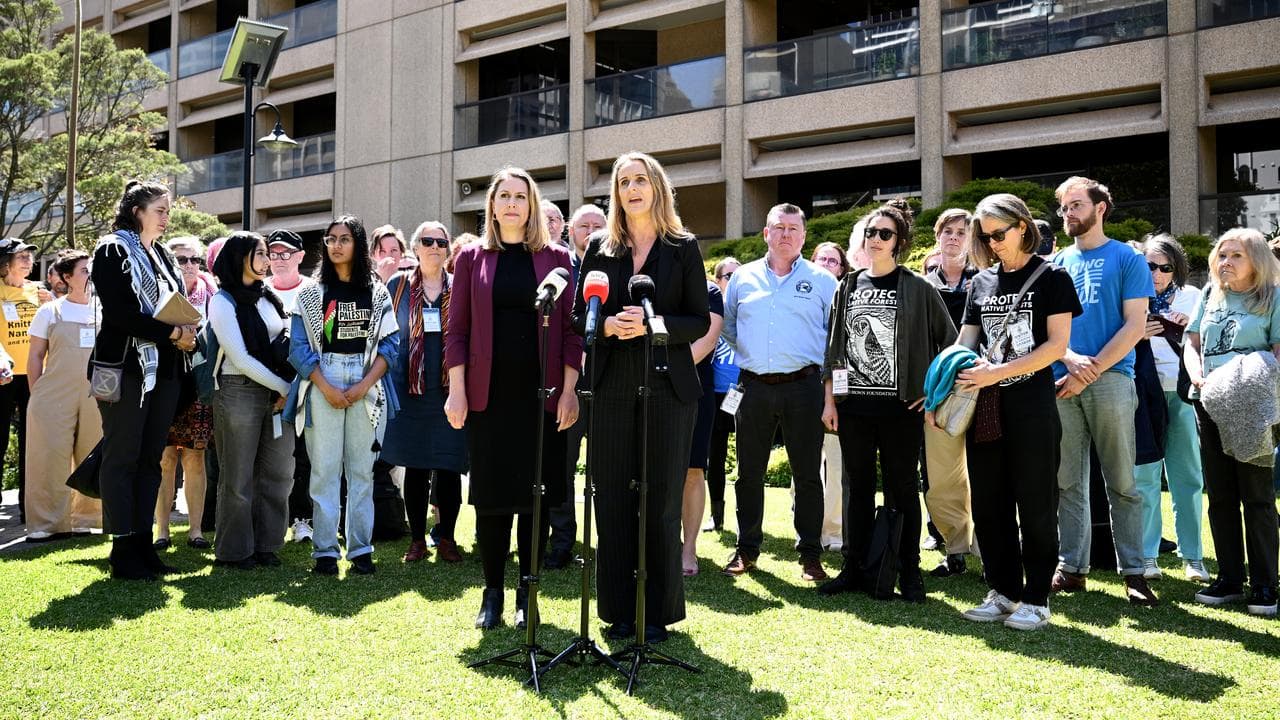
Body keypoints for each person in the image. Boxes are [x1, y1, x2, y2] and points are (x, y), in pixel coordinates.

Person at [571, 151, 708, 641]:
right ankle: (619, 612)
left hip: (668, 388)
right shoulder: (599, 248)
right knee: (611, 499)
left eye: (640, 180)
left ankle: (657, 612)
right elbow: (577, 317)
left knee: (661, 501)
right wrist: (607, 324)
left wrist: (653, 324)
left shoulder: (683, 246)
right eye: (624, 181)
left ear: (657, 188)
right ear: (616, 193)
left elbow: (699, 319)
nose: (632, 189)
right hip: (610, 386)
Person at [935, 193, 1080, 630]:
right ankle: (1002, 591)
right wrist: (941, 385)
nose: (992, 243)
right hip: (986, 408)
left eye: (999, 233)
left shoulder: (1052, 277)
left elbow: (1056, 346)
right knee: (989, 503)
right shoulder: (981, 282)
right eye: (985, 237)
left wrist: (995, 372)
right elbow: (966, 342)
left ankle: (1036, 598)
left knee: (1036, 503)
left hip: (1031, 406)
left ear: (1022, 227)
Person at [445, 167, 580, 629]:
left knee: (535, 499)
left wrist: (569, 390)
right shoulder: (471, 259)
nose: (511, 204)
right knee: (492, 498)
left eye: (520, 196)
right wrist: (456, 391)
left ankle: (528, 593)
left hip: (541, 398)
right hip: (488, 397)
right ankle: (492, 593)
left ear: (532, 204)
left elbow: (571, 332)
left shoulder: (557, 258)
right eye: (504, 195)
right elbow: (457, 331)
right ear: (492, 204)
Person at [817, 199, 956, 603]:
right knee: (857, 488)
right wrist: (830, 401)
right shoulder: (847, 285)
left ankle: (909, 572)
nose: (875, 239)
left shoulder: (919, 287)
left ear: (899, 241)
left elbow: (950, 344)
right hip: (854, 409)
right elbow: (833, 348)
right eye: (871, 233)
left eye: (884, 234)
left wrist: (931, 392)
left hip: (900, 410)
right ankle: (854, 568)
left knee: (902, 490)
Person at [1050, 176, 1159, 606]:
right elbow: (1047, 329)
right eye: (1064, 207)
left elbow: (1134, 326)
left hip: (1111, 378)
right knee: (1067, 482)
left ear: (1100, 208)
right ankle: (1071, 569)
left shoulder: (1128, 259)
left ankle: (1134, 573)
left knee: (1123, 481)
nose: (1068, 214)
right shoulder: (1057, 262)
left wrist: (1088, 370)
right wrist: (1070, 360)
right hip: (1062, 377)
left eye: (1076, 205)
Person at [722, 203, 838, 582]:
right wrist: (755, 356)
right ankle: (746, 550)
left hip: (804, 387)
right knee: (748, 473)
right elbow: (729, 327)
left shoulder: (824, 281)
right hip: (752, 386)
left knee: (808, 475)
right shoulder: (743, 278)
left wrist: (830, 394)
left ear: (804, 236)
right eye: (778, 227)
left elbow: (835, 339)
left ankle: (810, 555)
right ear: (766, 233)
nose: (785, 234)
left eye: (793, 228)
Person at [91, 180, 197, 580]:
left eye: (168, 211)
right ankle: (123, 550)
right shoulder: (112, 249)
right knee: (123, 456)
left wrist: (187, 331)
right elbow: (121, 313)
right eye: (160, 210)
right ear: (137, 211)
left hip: (165, 370)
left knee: (151, 458)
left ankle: (143, 544)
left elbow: (174, 304)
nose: (166, 217)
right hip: (125, 366)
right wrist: (173, 333)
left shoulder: (164, 255)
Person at [283, 214, 399, 576]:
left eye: (344, 239)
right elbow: (298, 349)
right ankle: (325, 553)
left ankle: (361, 550)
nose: (336, 245)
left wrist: (363, 386)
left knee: (362, 472)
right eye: (331, 239)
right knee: (324, 472)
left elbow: (391, 346)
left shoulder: (377, 292)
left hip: (366, 380)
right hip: (323, 378)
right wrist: (326, 387)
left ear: (358, 244)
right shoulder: (309, 294)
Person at [1186, 228, 1280, 617]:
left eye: (1236, 255)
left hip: (1252, 406)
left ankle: (1265, 584)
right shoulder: (1210, 294)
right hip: (1208, 403)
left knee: (1257, 496)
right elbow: (1192, 343)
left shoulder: (1273, 296)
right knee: (1220, 495)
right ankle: (1229, 578)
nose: (1226, 262)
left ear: (1256, 259)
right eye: (1222, 255)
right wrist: (1196, 375)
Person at [207, 232, 296, 569]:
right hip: (238, 390)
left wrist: (284, 388)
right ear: (239, 257)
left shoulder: (268, 295)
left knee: (278, 471)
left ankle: (266, 544)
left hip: (276, 394)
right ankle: (234, 551)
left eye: (267, 254)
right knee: (238, 476)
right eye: (260, 253)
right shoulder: (222, 301)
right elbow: (240, 358)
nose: (267, 260)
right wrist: (284, 388)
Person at [383, 221, 467, 564]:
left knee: (449, 466)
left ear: (448, 250)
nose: (435, 247)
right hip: (410, 390)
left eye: (441, 242)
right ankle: (417, 539)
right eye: (428, 241)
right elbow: (384, 333)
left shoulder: (460, 286)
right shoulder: (398, 285)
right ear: (415, 248)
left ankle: (446, 538)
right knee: (415, 467)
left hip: (450, 389)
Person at [1134, 234, 1208, 582]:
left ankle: (1193, 556)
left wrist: (1184, 328)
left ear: (1176, 268)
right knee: (1144, 476)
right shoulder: (1131, 296)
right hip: (1143, 392)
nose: (1157, 274)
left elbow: (1205, 344)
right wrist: (1137, 332)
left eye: (1165, 268)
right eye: (1150, 266)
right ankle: (1147, 555)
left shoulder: (1192, 296)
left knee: (1187, 476)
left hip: (1181, 392)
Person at [24, 249, 102, 540]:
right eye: (84, 270)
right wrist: (37, 394)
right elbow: (35, 356)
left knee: (92, 453)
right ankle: (46, 525)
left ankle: (87, 519)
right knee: (49, 457)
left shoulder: (103, 309)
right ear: (67, 277)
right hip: (53, 395)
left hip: (95, 393)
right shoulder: (50, 311)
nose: (90, 275)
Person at [546, 203, 607, 570]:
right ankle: (562, 542)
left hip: (608, 382)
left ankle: (610, 542)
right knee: (561, 468)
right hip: (567, 384)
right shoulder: (559, 269)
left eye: (598, 225)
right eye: (584, 225)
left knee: (608, 469)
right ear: (571, 231)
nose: (591, 231)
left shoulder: (616, 268)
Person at [922, 209, 980, 576]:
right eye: (948, 231)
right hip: (937, 391)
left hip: (981, 386)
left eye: (961, 232)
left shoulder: (986, 281)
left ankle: (988, 551)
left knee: (984, 473)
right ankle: (955, 549)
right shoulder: (921, 285)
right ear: (938, 236)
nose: (954, 238)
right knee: (943, 478)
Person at [154, 237, 214, 551]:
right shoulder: (159, 292)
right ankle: (162, 530)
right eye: (182, 259)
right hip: (165, 382)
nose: (189, 265)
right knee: (165, 459)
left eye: (195, 260)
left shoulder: (212, 295)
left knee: (195, 459)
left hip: (198, 386)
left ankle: (195, 531)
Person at [265, 229, 317, 544]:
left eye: (285, 253)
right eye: (273, 253)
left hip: (307, 384)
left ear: (300, 256)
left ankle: (303, 519)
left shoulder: (313, 291)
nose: (279, 259)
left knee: (305, 456)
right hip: (269, 387)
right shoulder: (260, 291)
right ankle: (272, 521)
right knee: (273, 458)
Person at [0, 237, 48, 524]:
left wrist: (52, 303)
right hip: (3, 377)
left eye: (30, 256)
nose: (28, 260)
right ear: (5, 263)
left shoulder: (39, 291)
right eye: (21, 256)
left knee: (33, 442)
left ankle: (28, 507)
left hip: (34, 375)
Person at [681, 274, 724, 576]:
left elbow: (708, 340)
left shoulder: (709, 291)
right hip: (650, 388)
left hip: (695, 389)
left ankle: (689, 548)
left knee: (693, 469)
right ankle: (662, 543)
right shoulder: (649, 283)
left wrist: (667, 367)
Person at [809, 241, 850, 552]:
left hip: (838, 391)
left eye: (832, 261)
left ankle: (833, 531)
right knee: (805, 464)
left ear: (842, 269)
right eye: (821, 259)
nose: (825, 264)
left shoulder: (847, 300)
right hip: (803, 388)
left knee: (835, 464)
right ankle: (806, 525)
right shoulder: (801, 297)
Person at [704, 257, 740, 533]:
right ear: (718, 281)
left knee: (747, 459)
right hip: (714, 396)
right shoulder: (711, 309)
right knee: (714, 458)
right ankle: (717, 516)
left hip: (743, 394)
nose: (734, 280)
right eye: (729, 276)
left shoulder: (749, 310)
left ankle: (746, 518)